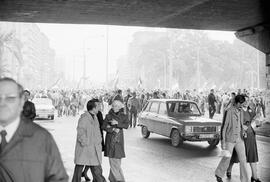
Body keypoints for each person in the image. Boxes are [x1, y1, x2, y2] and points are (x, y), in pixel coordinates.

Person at [0, 77, 68, 182]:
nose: (3, 103)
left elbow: (58, 178)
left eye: (10, 98)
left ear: (21, 102)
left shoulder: (42, 139)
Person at [226, 95, 261, 182]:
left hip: (251, 136)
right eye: (245, 100)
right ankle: (229, 169)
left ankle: (254, 177)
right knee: (236, 156)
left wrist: (258, 122)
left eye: (249, 100)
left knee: (252, 156)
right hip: (241, 137)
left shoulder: (251, 110)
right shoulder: (238, 110)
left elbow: (255, 120)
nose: (247, 102)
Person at [215, 95, 248, 182]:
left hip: (239, 139)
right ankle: (218, 174)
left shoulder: (241, 111)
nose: (242, 105)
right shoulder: (228, 111)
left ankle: (245, 180)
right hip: (229, 139)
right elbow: (224, 126)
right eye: (241, 103)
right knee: (227, 158)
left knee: (243, 159)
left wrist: (243, 131)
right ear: (237, 103)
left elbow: (240, 124)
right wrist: (223, 141)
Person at [72, 99, 106, 182]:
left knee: (97, 170)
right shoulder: (84, 118)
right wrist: (86, 142)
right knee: (79, 168)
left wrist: (98, 141)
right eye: (98, 106)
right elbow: (80, 133)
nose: (100, 108)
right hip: (85, 148)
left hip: (93, 148)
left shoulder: (95, 117)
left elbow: (98, 131)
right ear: (93, 108)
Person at [102, 100, 129, 182]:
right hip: (110, 140)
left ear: (120, 107)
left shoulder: (124, 116)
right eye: (113, 105)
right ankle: (119, 180)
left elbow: (126, 125)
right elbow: (103, 126)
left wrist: (117, 123)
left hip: (119, 141)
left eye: (116, 106)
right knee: (114, 162)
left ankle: (112, 178)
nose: (114, 107)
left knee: (117, 162)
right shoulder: (108, 116)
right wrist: (113, 129)